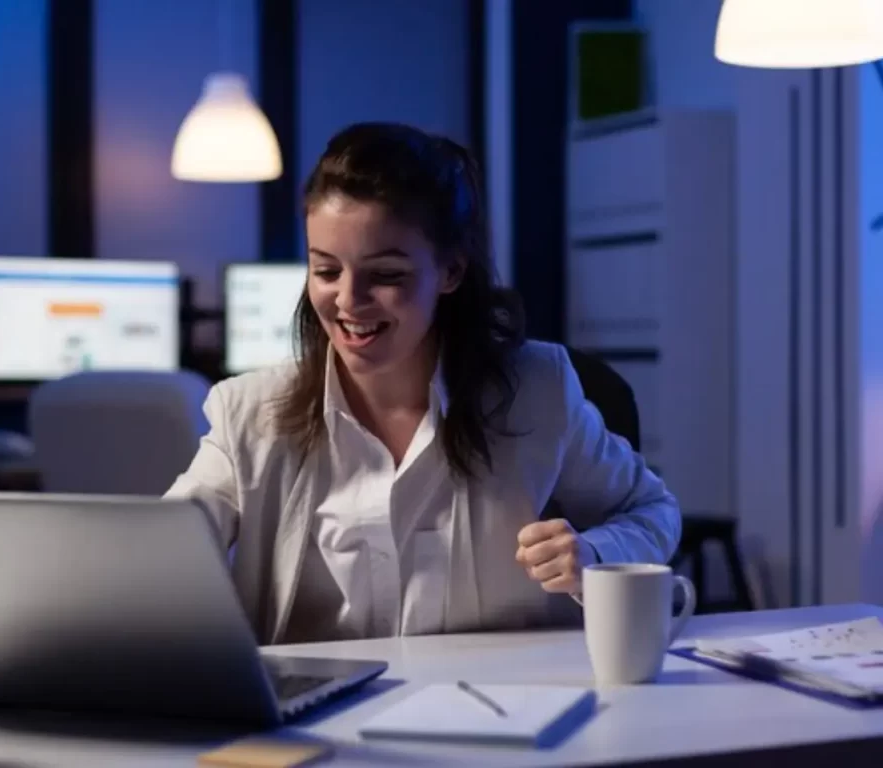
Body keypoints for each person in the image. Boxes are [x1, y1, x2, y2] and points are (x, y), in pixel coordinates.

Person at [166, 122, 680, 645]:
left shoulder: (539, 390)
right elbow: (162, 547)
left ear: (451, 272)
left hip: (501, 706)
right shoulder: (249, 413)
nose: (348, 299)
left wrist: (593, 555)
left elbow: (651, 512)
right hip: (312, 718)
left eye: (385, 276)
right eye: (326, 271)